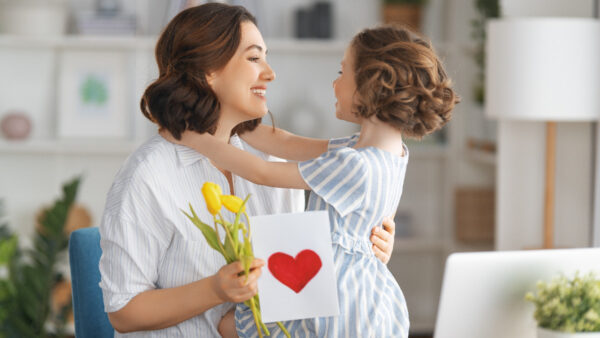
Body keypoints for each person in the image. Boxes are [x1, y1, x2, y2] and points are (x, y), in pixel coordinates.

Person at [98, 3, 396, 337]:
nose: (270, 73)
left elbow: (296, 293)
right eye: (254, 58)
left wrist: (359, 252)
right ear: (208, 69)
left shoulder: (272, 165)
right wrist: (215, 290)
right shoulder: (149, 174)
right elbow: (123, 313)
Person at [164, 24, 459, 337]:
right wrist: (236, 119)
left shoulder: (355, 164)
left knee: (229, 326)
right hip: (342, 285)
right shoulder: (380, 153)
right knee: (231, 325)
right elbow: (288, 144)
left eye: (342, 72)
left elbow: (261, 172)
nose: (334, 83)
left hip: (334, 293)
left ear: (371, 85)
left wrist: (197, 140)